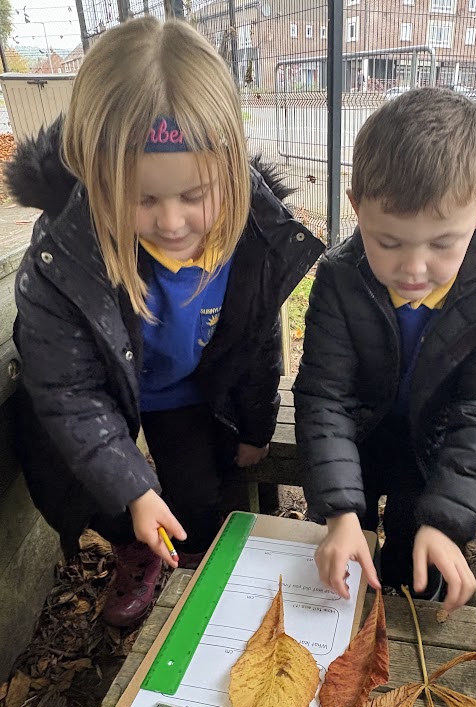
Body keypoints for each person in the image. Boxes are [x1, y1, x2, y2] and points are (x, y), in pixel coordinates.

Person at [8, 17, 323, 627]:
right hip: (97, 392)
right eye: (144, 199)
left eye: (194, 195)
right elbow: (68, 392)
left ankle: (187, 552)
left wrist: (256, 425)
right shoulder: (62, 257)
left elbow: (255, 341)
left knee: (200, 494)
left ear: (228, 171)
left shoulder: (249, 240)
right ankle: (134, 546)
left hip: (184, 391)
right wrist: (133, 490)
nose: (173, 223)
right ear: (98, 179)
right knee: (81, 480)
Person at [293, 87, 476, 613]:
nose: (414, 269)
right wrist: (339, 513)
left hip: (436, 444)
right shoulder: (340, 279)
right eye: (389, 242)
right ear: (356, 208)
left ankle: (415, 580)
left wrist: (445, 523)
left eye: (442, 244)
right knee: (347, 544)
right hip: (361, 432)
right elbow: (325, 396)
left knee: (417, 556)